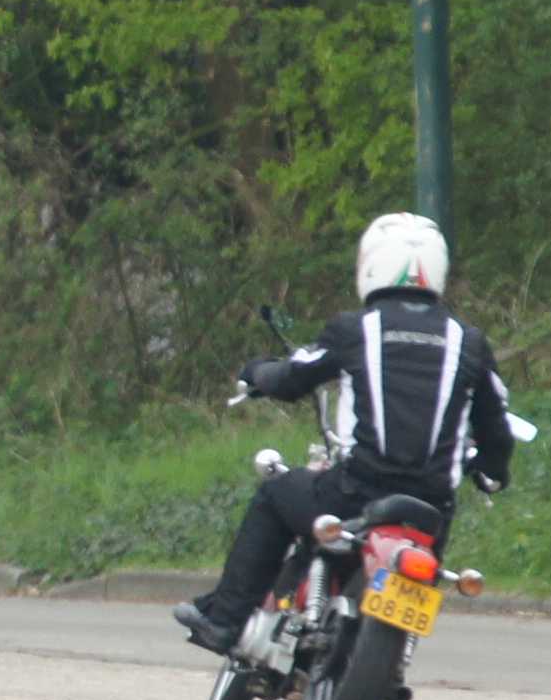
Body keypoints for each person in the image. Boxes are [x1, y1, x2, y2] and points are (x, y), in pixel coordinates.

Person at [172, 211, 519, 656]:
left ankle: (224, 619)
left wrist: (257, 373)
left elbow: (293, 378)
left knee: (276, 494)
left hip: (354, 493)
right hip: (431, 511)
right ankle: (395, 657)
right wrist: (492, 471)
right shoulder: (469, 341)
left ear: (370, 264)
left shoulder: (355, 329)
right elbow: (496, 425)